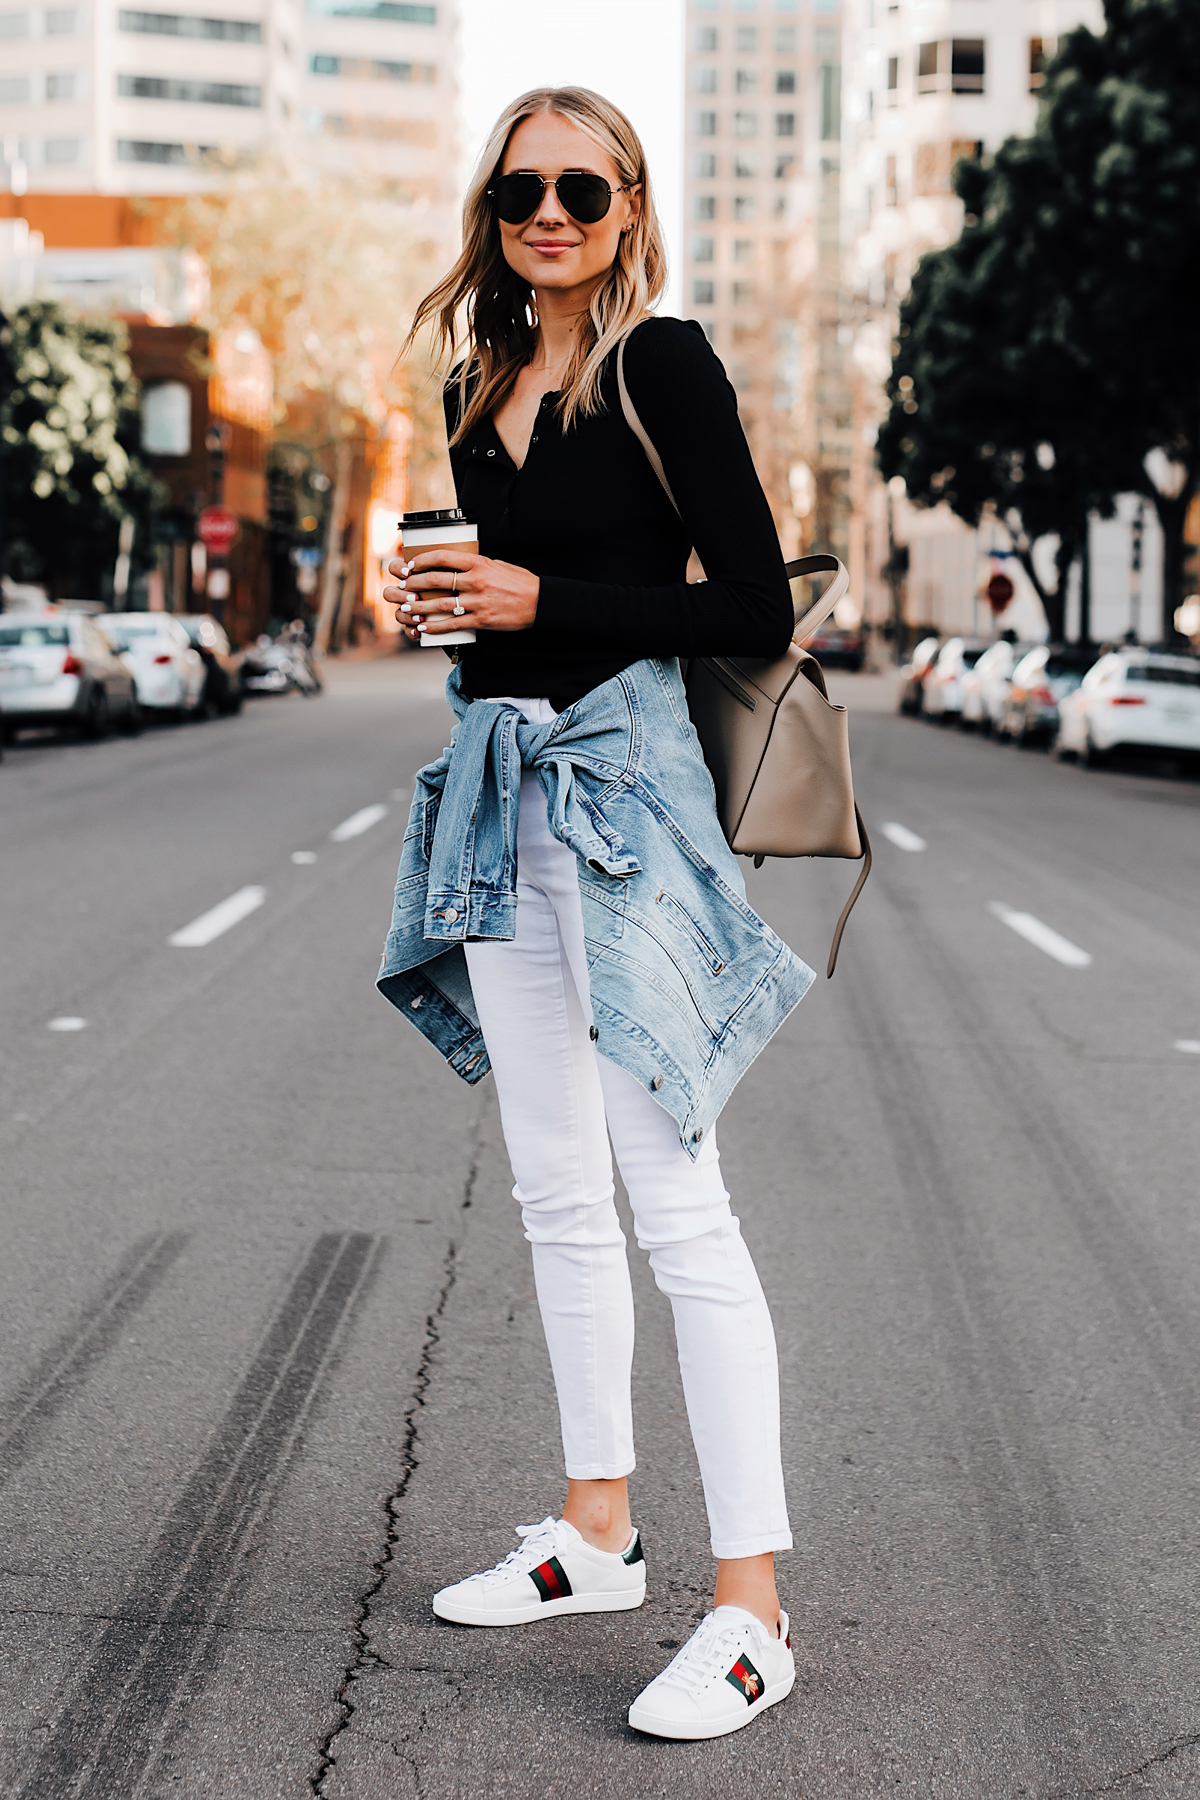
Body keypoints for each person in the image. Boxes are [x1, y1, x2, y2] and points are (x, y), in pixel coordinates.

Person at [379, 86, 815, 1742]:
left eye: (581, 187)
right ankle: (598, 1527)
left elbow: (755, 596)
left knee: (675, 1200)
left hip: (624, 804)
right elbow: (494, 611)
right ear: (493, 214)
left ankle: (754, 1604)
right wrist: (444, 604)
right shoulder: (478, 377)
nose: (548, 213)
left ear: (628, 204)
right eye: (520, 191)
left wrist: (535, 597)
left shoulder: (663, 363)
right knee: (557, 1190)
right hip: (501, 792)